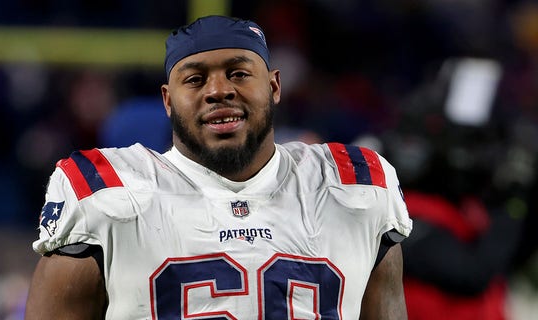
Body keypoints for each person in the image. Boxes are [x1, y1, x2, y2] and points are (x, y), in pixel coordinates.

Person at [24, 15, 412, 319]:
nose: (218, 91)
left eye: (239, 73)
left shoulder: (355, 185)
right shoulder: (105, 191)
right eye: (195, 79)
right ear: (168, 100)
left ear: (275, 87)